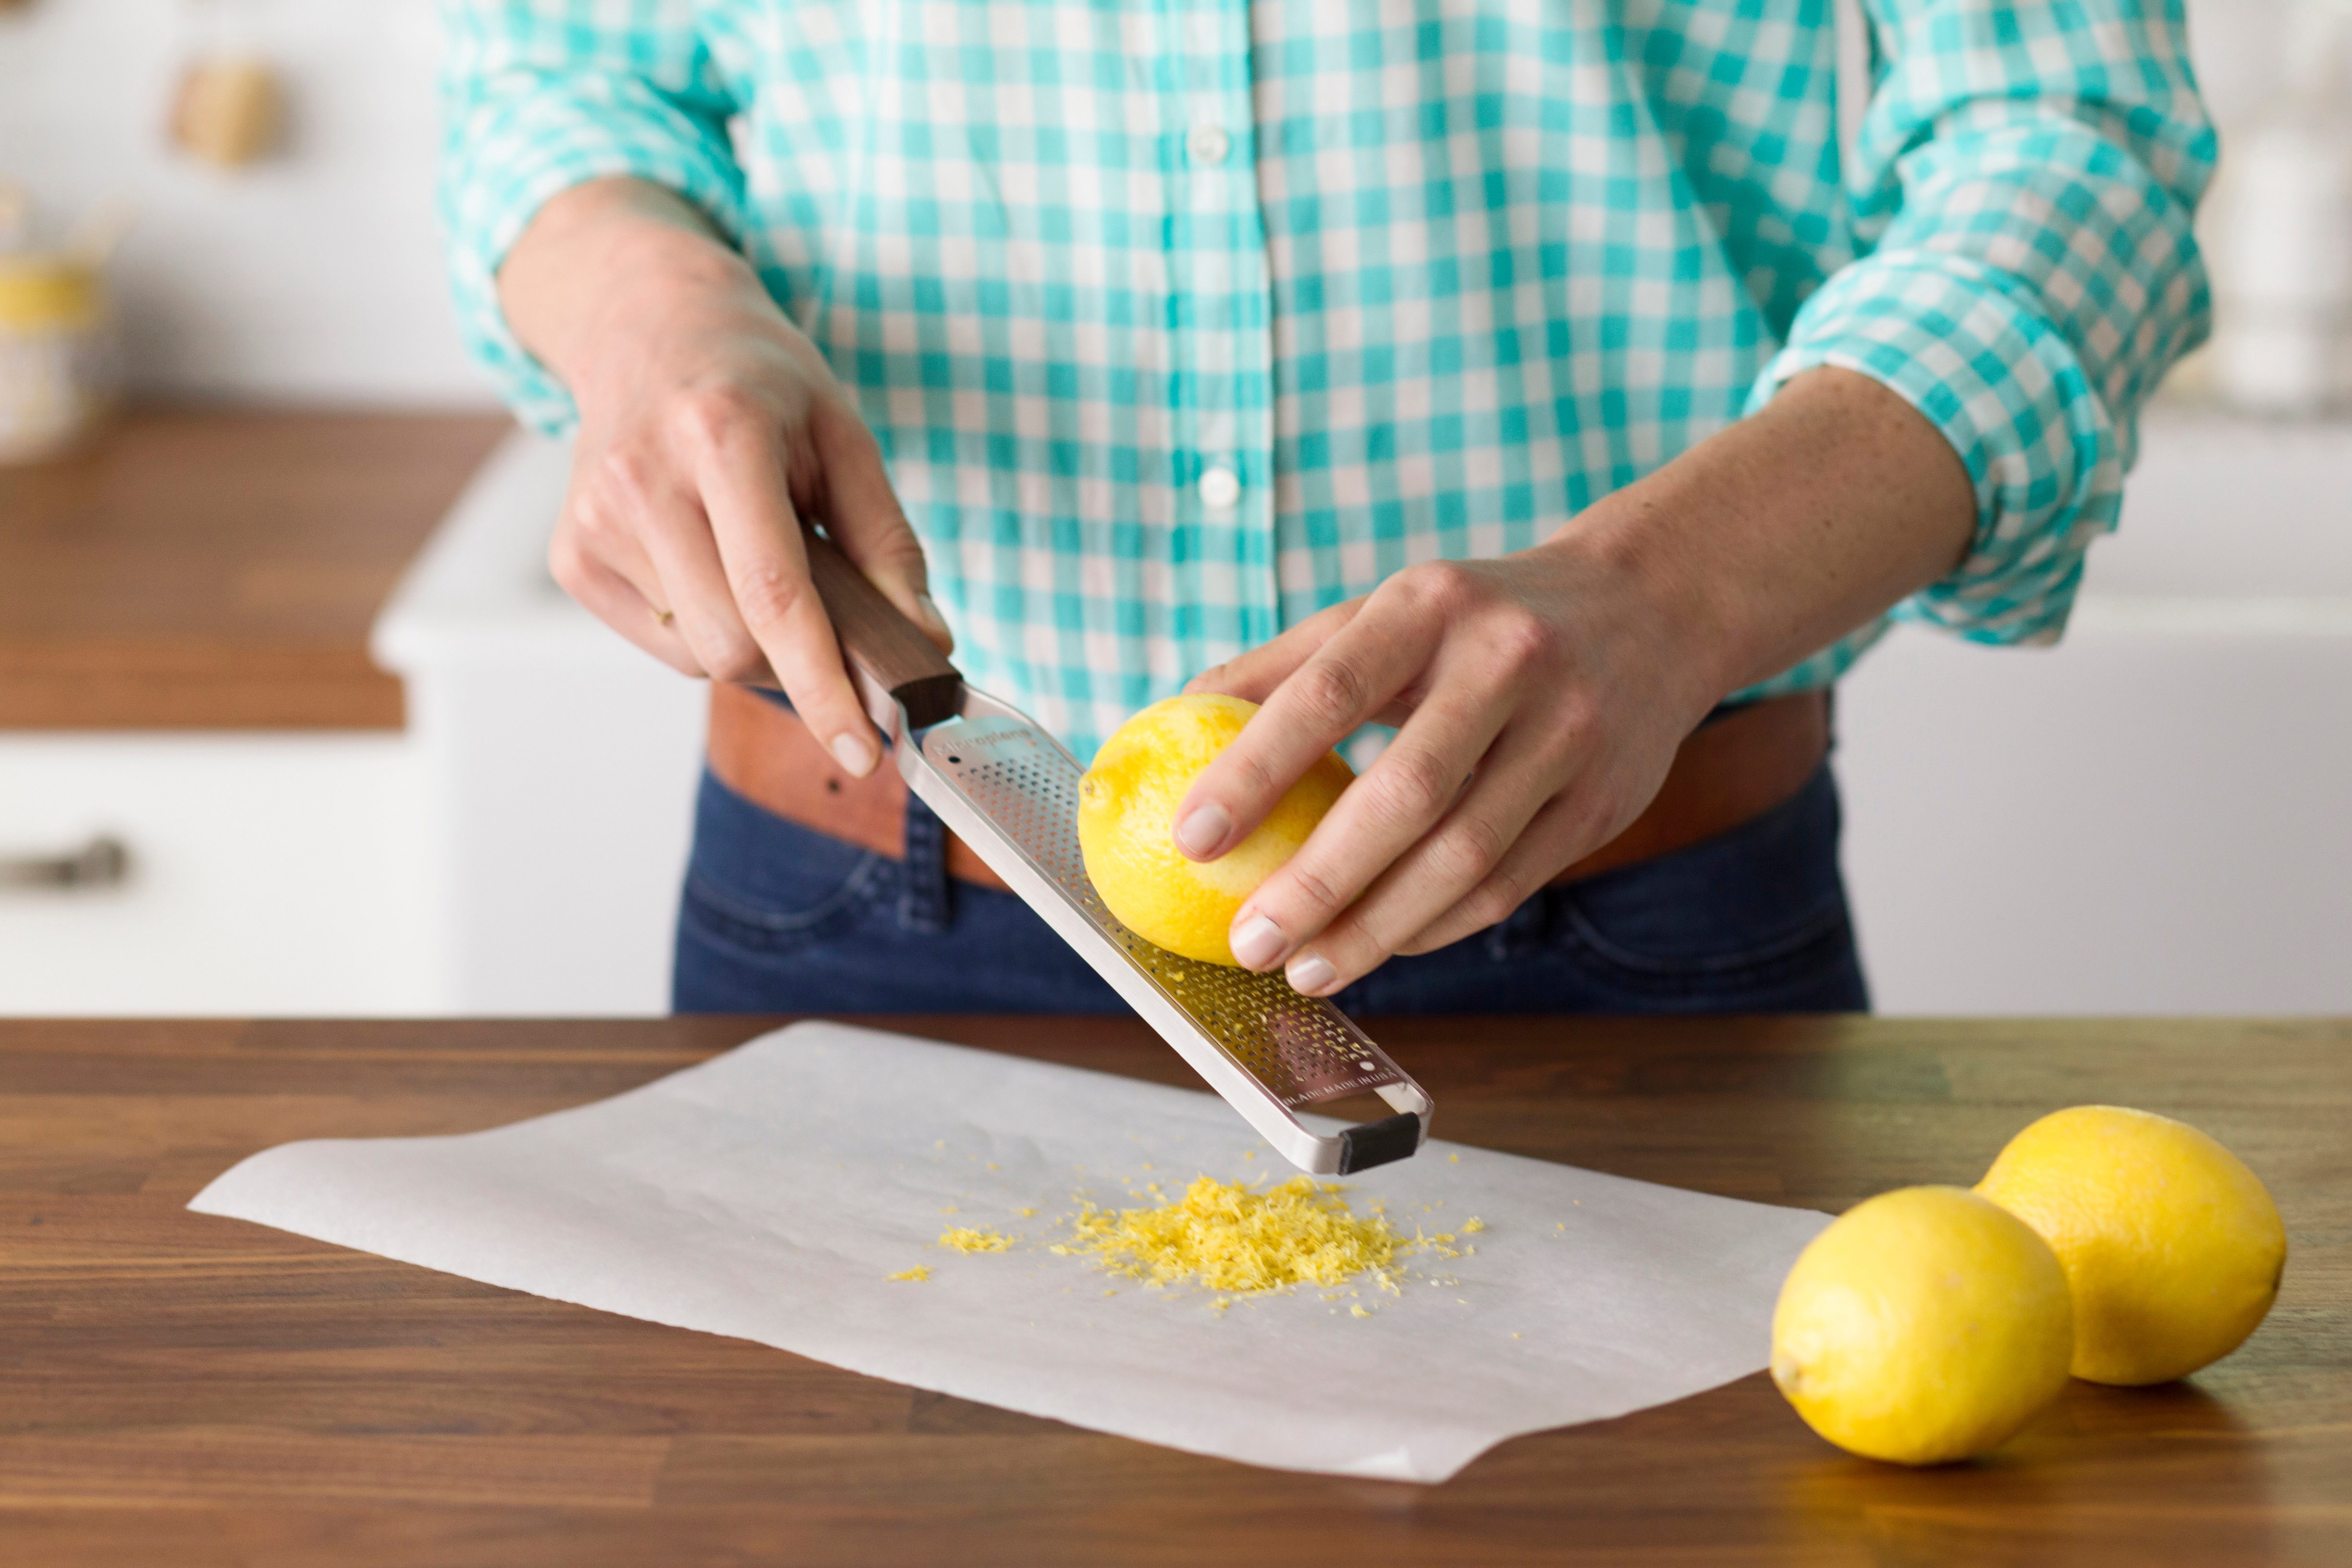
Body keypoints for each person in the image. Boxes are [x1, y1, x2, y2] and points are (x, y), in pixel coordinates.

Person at [439, 0, 2213, 1016]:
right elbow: (560, 71)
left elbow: (2072, 138)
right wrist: (643, 301)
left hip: (1624, 925)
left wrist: (1671, 589)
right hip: (863, 906)